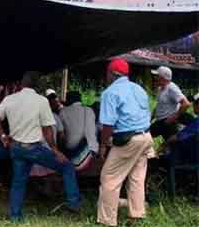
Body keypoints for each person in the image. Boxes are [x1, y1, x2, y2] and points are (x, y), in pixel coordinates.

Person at [0, 71, 80, 221]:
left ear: (22, 84)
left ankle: (15, 216)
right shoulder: (41, 101)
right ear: (37, 86)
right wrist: (55, 150)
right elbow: (47, 129)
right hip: (33, 149)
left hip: (16, 148)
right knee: (67, 167)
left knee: (18, 181)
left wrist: (2, 135)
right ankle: (73, 204)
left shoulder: (10, 99)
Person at [97, 58, 152, 227]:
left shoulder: (110, 93)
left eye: (107, 73)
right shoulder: (139, 89)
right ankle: (136, 215)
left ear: (111, 74)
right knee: (136, 178)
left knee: (109, 178)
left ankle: (107, 220)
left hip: (128, 140)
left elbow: (108, 125)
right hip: (146, 138)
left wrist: (103, 145)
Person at [150, 66, 192, 142]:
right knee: (147, 136)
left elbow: (186, 104)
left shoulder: (172, 88)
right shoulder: (160, 88)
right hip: (160, 121)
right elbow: (159, 105)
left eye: (157, 76)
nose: (155, 77)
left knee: (172, 145)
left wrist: (174, 117)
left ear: (163, 78)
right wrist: (151, 117)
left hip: (168, 122)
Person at [59, 91, 99, 170]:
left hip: (70, 152)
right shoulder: (89, 110)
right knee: (95, 130)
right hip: (86, 155)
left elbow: (61, 133)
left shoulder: (63, 111)